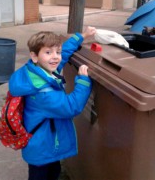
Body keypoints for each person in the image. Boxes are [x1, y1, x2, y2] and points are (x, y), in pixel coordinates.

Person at [9, 27, 96, 180]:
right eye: (48, 52)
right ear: (34, 56)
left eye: (57, 52)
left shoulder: (37, 71)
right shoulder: (43, 92)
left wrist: (82, 36)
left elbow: (64, 53)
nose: (55, 57)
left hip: (44, 141)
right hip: (42, 146)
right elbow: (71, 107)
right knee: (43, 176)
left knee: (54, 170)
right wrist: (83, 81)